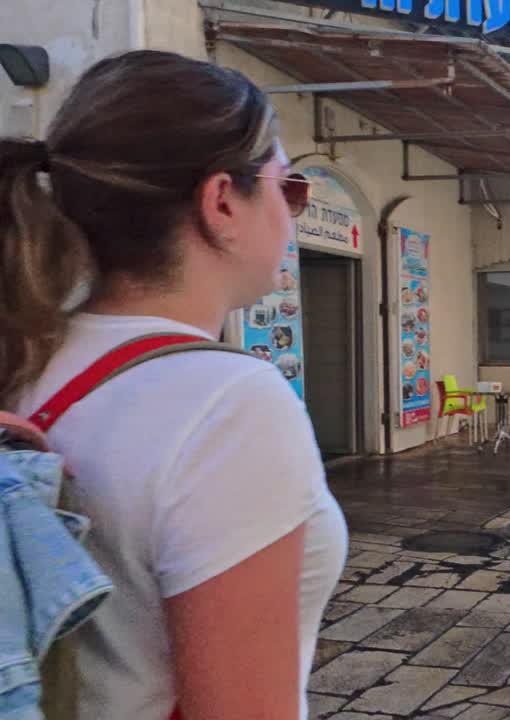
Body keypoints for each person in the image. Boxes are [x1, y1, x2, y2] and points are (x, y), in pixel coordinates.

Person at [0, 51, 347, 719]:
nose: (292, 215)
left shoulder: (27, 357)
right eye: (288, 189)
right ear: (222, 202)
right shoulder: (230, 404)